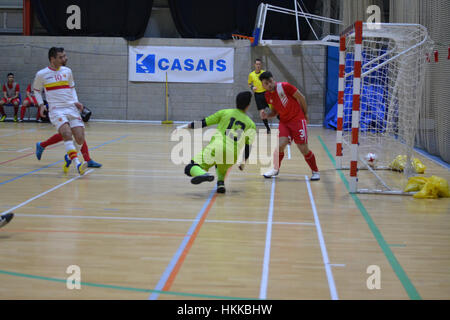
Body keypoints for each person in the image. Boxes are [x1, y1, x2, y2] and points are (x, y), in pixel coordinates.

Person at [35, 49, 102, 169]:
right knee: (66, 133)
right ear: (52, 59)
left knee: (79, 137)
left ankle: (46, 146)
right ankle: (79, 162)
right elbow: (36, 91)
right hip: (56, 109)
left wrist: (76, 101)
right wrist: (41, 105)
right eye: (61, 57)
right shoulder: (42, 74)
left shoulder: (68, 71)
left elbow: (72, 88)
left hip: (71, 108)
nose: (65, 59)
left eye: (65, 56)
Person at [179, 91, 256, 193]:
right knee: (221, 163)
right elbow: (248, 147)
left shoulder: (225, 112)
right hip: (232, 154)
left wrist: (188, 126)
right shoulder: (251, 124)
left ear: (236, 102)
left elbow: (204, 123)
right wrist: (243, 162)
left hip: (217, 146)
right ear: (248, 105)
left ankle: (203, 174)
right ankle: (220, 183)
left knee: (190, 167)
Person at [259, 71, 320, 181]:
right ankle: (275, 169)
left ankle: (315, 171)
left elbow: (302, 98)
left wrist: (305, 114)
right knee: (280, 145)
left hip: (297, 120)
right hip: (284, 122)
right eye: (266, 83)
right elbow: (275, 112)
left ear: (273, 80)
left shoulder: (285, 87)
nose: (269, 85)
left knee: (303, 149)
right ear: (263, 85)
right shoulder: (267, 96)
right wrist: (266, 116)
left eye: (270, 81)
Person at [248, 58, 271, 134]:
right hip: (258, 95)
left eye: (259, 64)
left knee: (275, 108)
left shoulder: (264, 73)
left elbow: (269, 81)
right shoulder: (251, 75)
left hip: (266, 93)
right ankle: (268, 128)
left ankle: (284, 125)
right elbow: (249, 84)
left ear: (261, 65)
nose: (258, 65)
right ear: (254, 65)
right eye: (257, 64)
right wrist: (252, 87)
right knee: (262, 112)